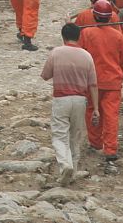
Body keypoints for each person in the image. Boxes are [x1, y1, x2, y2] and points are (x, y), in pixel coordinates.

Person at [40, 23, 99, 185]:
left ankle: (65, 165)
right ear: (79, 37)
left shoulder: (56, 52)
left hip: (61, 100)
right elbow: (93, 85)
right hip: (81, 101)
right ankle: (72, 171)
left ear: (63, 36)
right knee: (75, 136)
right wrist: (96, 109)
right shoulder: (87, 56)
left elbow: (45, 75)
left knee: (60, 136)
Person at [79, 0, 123, 173]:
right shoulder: (118, 35)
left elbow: (81, 55)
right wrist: (122, 74)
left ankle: (95, 142)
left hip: (91, 81)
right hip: (113, 81)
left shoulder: (86, 33)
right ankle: (110, 150)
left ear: (94, 15)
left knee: (92, 110)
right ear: (110, 17)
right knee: (111, 115)